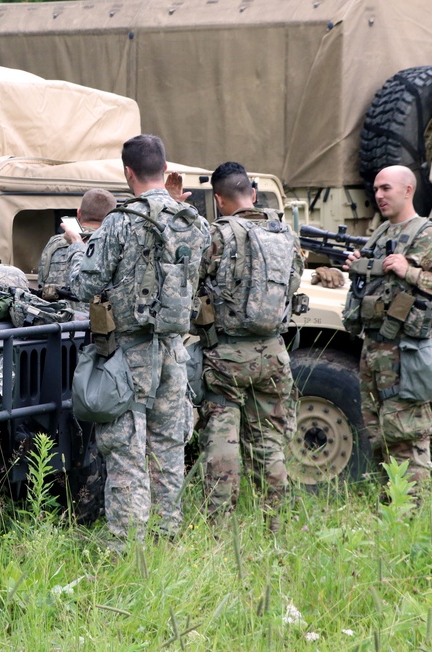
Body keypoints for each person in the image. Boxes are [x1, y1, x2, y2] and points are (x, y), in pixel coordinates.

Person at [65, 134, 208, 545]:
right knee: (167, 448)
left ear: (128, 173)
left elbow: (84, 282)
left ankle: (128, 549)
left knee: (126, 451)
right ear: (165, 170)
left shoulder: (120, 221)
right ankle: (166, 535)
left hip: (128, 354)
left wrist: (79, 247)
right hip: (174, 350)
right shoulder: (193, 222)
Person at [342, 165, 432, 494]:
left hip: (405, 356)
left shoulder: (428, 235)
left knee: (408, 437)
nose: (379, 195)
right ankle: (392, 509)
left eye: (386, 188)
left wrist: (410, 272)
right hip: (374, 352)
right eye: (377, 190)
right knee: (379, 435)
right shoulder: (381, 232)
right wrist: (361, 264)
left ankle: (413, 516)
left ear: (408, 190)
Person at [194, 162, 303, 525]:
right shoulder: (284, 235)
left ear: (219, 199)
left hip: (226, 355)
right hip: (274, 352)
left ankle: (219, 527)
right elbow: (293, 284)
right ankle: (274, 523)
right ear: (253, 194)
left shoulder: (218, 235)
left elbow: (194, 284)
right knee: (269, 442)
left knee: (221, 440)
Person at [37, 188, 117, 311]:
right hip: (95, 325)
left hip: (57, 320)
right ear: (111, 218)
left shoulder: (54, 243)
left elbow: (42, 284)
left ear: (79, 213)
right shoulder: (113, 246)